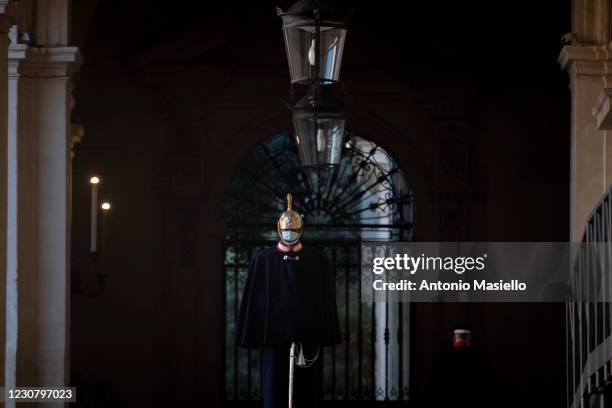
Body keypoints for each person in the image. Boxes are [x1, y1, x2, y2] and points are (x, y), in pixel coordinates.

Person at [236, 193, 341, 408]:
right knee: (275, 393)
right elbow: (254, 303)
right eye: (286, 230)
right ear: (278, 229)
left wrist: (322, 332)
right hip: (274, 342)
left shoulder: (317, 260)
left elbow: (325, 302)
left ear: (301, 230)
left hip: (308, 342)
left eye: (293, 230)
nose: (290, 234)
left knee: (307, 394)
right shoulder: (263, 261)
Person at [428, 325, 494, 408]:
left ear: (454, 339)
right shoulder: (480, 357)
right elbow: (489, 386)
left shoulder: (443, 357)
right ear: (469, 338)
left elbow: (433, 386)